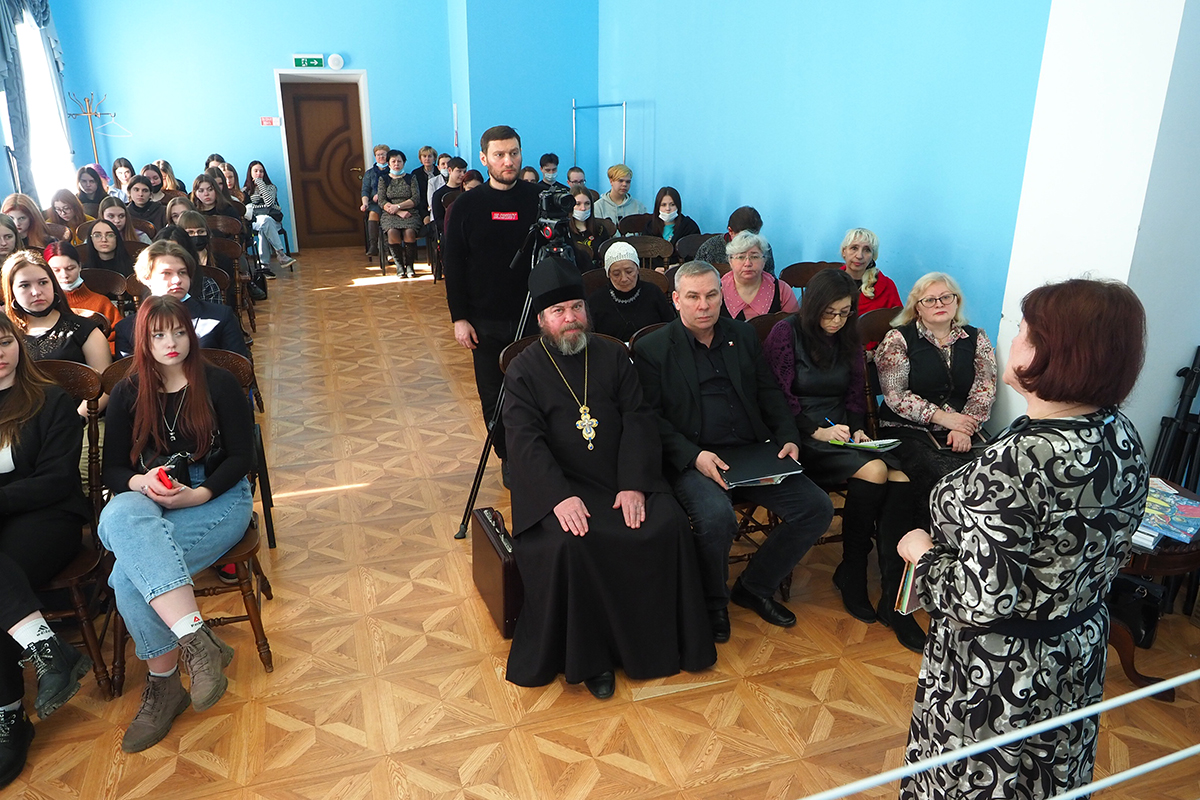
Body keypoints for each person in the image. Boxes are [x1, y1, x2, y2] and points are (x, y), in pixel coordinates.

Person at [896, 279, 1149, 798]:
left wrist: (921, 553)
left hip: (1000, 669)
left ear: (1051, 353)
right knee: (1047, 778)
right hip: (1075, 648)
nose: (1012, 339)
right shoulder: (1119, 431)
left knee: (977, 783)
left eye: (1023, 331)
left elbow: (981, 599)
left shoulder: (1018, 462)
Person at [502, 257, 715, 698]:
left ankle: (663, 642)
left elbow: (639, 418)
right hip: (558, 486)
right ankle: (593, 658)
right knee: (573, 543)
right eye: (558, 311)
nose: (570, 318)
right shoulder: (523, 370)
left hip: (619, 476)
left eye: (576, 307)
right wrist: (558, 497)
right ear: (542, 319)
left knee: (667, 524)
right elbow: (525, 443)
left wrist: (633, 482)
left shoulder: (613, 354)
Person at [633, 261, 834, 642]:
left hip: (750, 451)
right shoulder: (652, 349)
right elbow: (650, 418)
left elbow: (769, 392)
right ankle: (713, 602)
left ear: (721, 295)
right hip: (696, 458)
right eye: (693, 297)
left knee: (816, 507)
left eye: (711, 295)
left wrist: (788, 436)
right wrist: (694, 456)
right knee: (716, 518)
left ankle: (755, 587)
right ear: (676, 300)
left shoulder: (741, 335)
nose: (704, 305)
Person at [98, 295, 254, 753]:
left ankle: (164, 683)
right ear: (142, 340)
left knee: (128, 579)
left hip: (217, 492)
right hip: (151, 492)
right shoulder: (128, 391)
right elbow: (112, 470)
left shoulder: (219, 382)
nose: (172, 342)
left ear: (191, 333)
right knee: (118, 512)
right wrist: (141, 481)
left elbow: (243, 457)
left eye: (180, 332)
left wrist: (199, 494)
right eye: (159, 334)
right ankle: (197, 641)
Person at [762, 269, 922, 650]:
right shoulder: (786, 333)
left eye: (845, 313)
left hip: (841, 432)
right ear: (814, 307)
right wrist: (814, 431)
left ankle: (889, 590)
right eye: (829, 313)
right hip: (800, 436)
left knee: (900, 478)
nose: (836, 321)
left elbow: (854, 394)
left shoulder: (848, 336)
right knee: (876, 470)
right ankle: (853, 571)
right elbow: (776, 398)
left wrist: (859, 430)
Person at [0, 312, 94, 788]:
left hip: (50, 518)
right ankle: (48, 651)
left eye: (3, 342)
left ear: (17, 344)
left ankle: (9, 717)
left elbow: (57, 480)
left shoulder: (50, 398)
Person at [443, 125, 541, 485]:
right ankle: (508, 455)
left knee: (539, 389)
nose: (508, 161)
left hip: (535, 316)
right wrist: (460, 318)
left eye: (514, 153)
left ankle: (539, 453)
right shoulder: (466, 205)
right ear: (484, 159)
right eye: (499, 155)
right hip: (484, 319)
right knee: (494, 396)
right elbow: (453, 264)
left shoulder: (538, 199)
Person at [875, 272, 996, 528]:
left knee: (992, 471)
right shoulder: (898, 339)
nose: (939, 304)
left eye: (945, 297)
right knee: (940, 473)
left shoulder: (977, 338)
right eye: (929, 300)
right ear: (917, 307)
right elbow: (896, 395)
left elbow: (984, 388)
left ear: (957, 301)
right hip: (907, 429)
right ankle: (929, 540)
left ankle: (973, 541)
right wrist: (944, 418)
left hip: (962, 430)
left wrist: (964, 427)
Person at [2, 252, 112, 416]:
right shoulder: (6, 334)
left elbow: (105, 386)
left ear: (53, 284)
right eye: (24, 285)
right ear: (11, 291)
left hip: (78, 420)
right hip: (15, 420)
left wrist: (75, 420)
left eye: (43, 282)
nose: (36, 292)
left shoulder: (84, 330)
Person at [113, 241, 248, 359]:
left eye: (182, 272)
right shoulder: (127, 328)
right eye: (166, 273)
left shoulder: (221, 316)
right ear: (146, 278)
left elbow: (239, 369)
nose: (177, 280)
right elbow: (130, 377)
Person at [587, 241, 674, 342]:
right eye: (616, 274)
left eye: (629, 272)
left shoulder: (653, 293)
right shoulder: (596, 301)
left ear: (637, 269)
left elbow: (670, 329)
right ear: (608, 274)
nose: (624, 278)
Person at [45, 241, 122, 353]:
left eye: (70, 268)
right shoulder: (43, 305)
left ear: (79, 266)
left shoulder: (101, 303)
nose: (64, 275)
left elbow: (120, 338)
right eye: (56, 270)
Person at [720, 231, 798, 320]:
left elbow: (793, 324)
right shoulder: (718, 290)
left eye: (755, 257)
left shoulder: (781, 289)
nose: (748, 263)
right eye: (741, 257)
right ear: (730, 261)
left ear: (764, 260)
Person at [838, 227, 901, 335]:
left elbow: (900, 322)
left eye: (867, 250)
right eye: (854, 248)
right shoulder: (828, 283)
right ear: (844, 252)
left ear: (873, 256)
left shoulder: (887, 285)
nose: (859, 256)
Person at [242, 161, 296, 276]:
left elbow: (269, 203)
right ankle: (281, 254)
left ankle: (264, 266)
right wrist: (258, 207)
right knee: (264, 222)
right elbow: (247, 209)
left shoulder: (271, 187)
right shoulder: (245, 190)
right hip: (255, 221)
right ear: (250, 173)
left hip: (273, 221)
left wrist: (261, 184)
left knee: (265, 225)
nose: (258, 174)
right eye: (255, 171)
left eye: (261, 171)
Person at [376, 150, 422, 278]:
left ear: (404, 163)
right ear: (389, 164)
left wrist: (399, 206)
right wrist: (397, 211)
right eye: (393, 161)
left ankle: (410, 266)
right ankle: (399, 266)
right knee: (392, 232)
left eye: (399, 161)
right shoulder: (384, 179)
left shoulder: (411, 178)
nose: (396, 164)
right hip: (390, 213)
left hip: (409, 212)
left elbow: (415, 198)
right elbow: (381, 200)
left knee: (409, 232)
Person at [696, 206, 776, 275]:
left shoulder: (763, 247)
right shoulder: (709, 248)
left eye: (754, 235)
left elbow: (770, 278)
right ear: (730, 231)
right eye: (743, 236)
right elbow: (696, 276)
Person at [567, 187, 610, 271]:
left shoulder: (600, 229)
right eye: (578, 204)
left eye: (587, 203)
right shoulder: (565, 230)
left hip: (597, 274)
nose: (583, 208)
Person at [360, 144, 390, 257]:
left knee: (388, 215)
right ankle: (373, 245)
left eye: (383, 154)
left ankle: (389, 248)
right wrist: (365, 203)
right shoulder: (370, 173)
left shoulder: (393, 170)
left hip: (389, 202)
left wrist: (381, 195)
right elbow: (365, 190)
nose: (381, 157)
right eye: (378, 155)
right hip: (375, 204)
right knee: (373, 213)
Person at [430, 156, 467, 233]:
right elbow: (438, 220)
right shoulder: (438, 194)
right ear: (449, 170)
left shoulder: (466, 191)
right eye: (459, 171)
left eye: (464, 171)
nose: (462, 175)